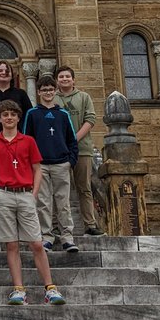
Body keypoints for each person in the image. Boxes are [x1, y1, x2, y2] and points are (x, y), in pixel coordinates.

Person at [0, 100, 66, 306]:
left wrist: (34, 193)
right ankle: (19, 289)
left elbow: (37, 169)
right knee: (11, 245)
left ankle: (50, 288)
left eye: (12, 114)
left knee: (36, 243)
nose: (9, 118)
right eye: (5, 114)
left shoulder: (28, 141)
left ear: (19, 118)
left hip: (25, 194)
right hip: (4, 195)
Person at [22, 75, 79, 253]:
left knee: (63, 202)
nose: (48, 93)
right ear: (38, 92)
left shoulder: (63, 114)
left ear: (55, 91)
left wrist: (71, 161)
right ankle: (46, 236)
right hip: (40, 166)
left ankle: (67, 237)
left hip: (61, 163)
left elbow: (72, 139)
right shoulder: (32, 114)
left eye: (50, 89)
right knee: (43, 202)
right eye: (44, 90)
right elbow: (26, 139)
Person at [55, 65, 104, 237]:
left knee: (84, 187)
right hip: (59, 151)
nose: (65, 79)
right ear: (57, 80)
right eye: (61, 77)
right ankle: (58, 226)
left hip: (82, 149)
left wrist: (74, 138)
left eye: (67, 76)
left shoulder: (84, 97)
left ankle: (90, 224)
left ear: (73, 79)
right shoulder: (52, 99)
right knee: (60, 189)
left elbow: (90, 119)